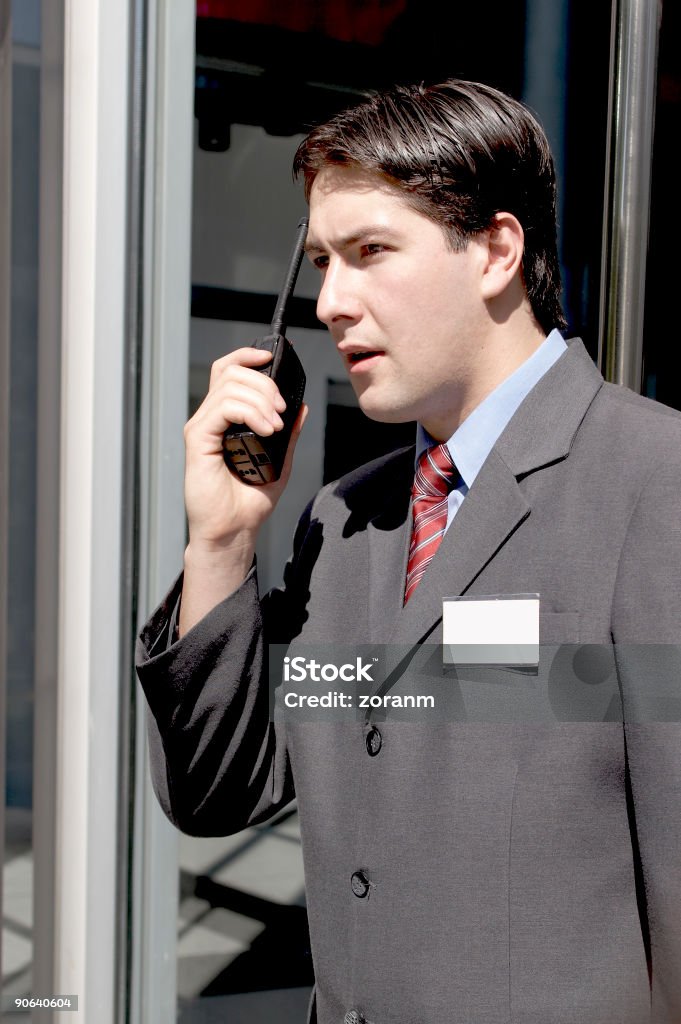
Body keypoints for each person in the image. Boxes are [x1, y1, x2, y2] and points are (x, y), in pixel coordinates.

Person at [136, 80, 681, 1024]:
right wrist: (222, 540)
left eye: (369, 253)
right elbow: (219, 792)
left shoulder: (653, 484)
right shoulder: (344, 521)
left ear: (496, 252)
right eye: (319, 261)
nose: (329, 303)